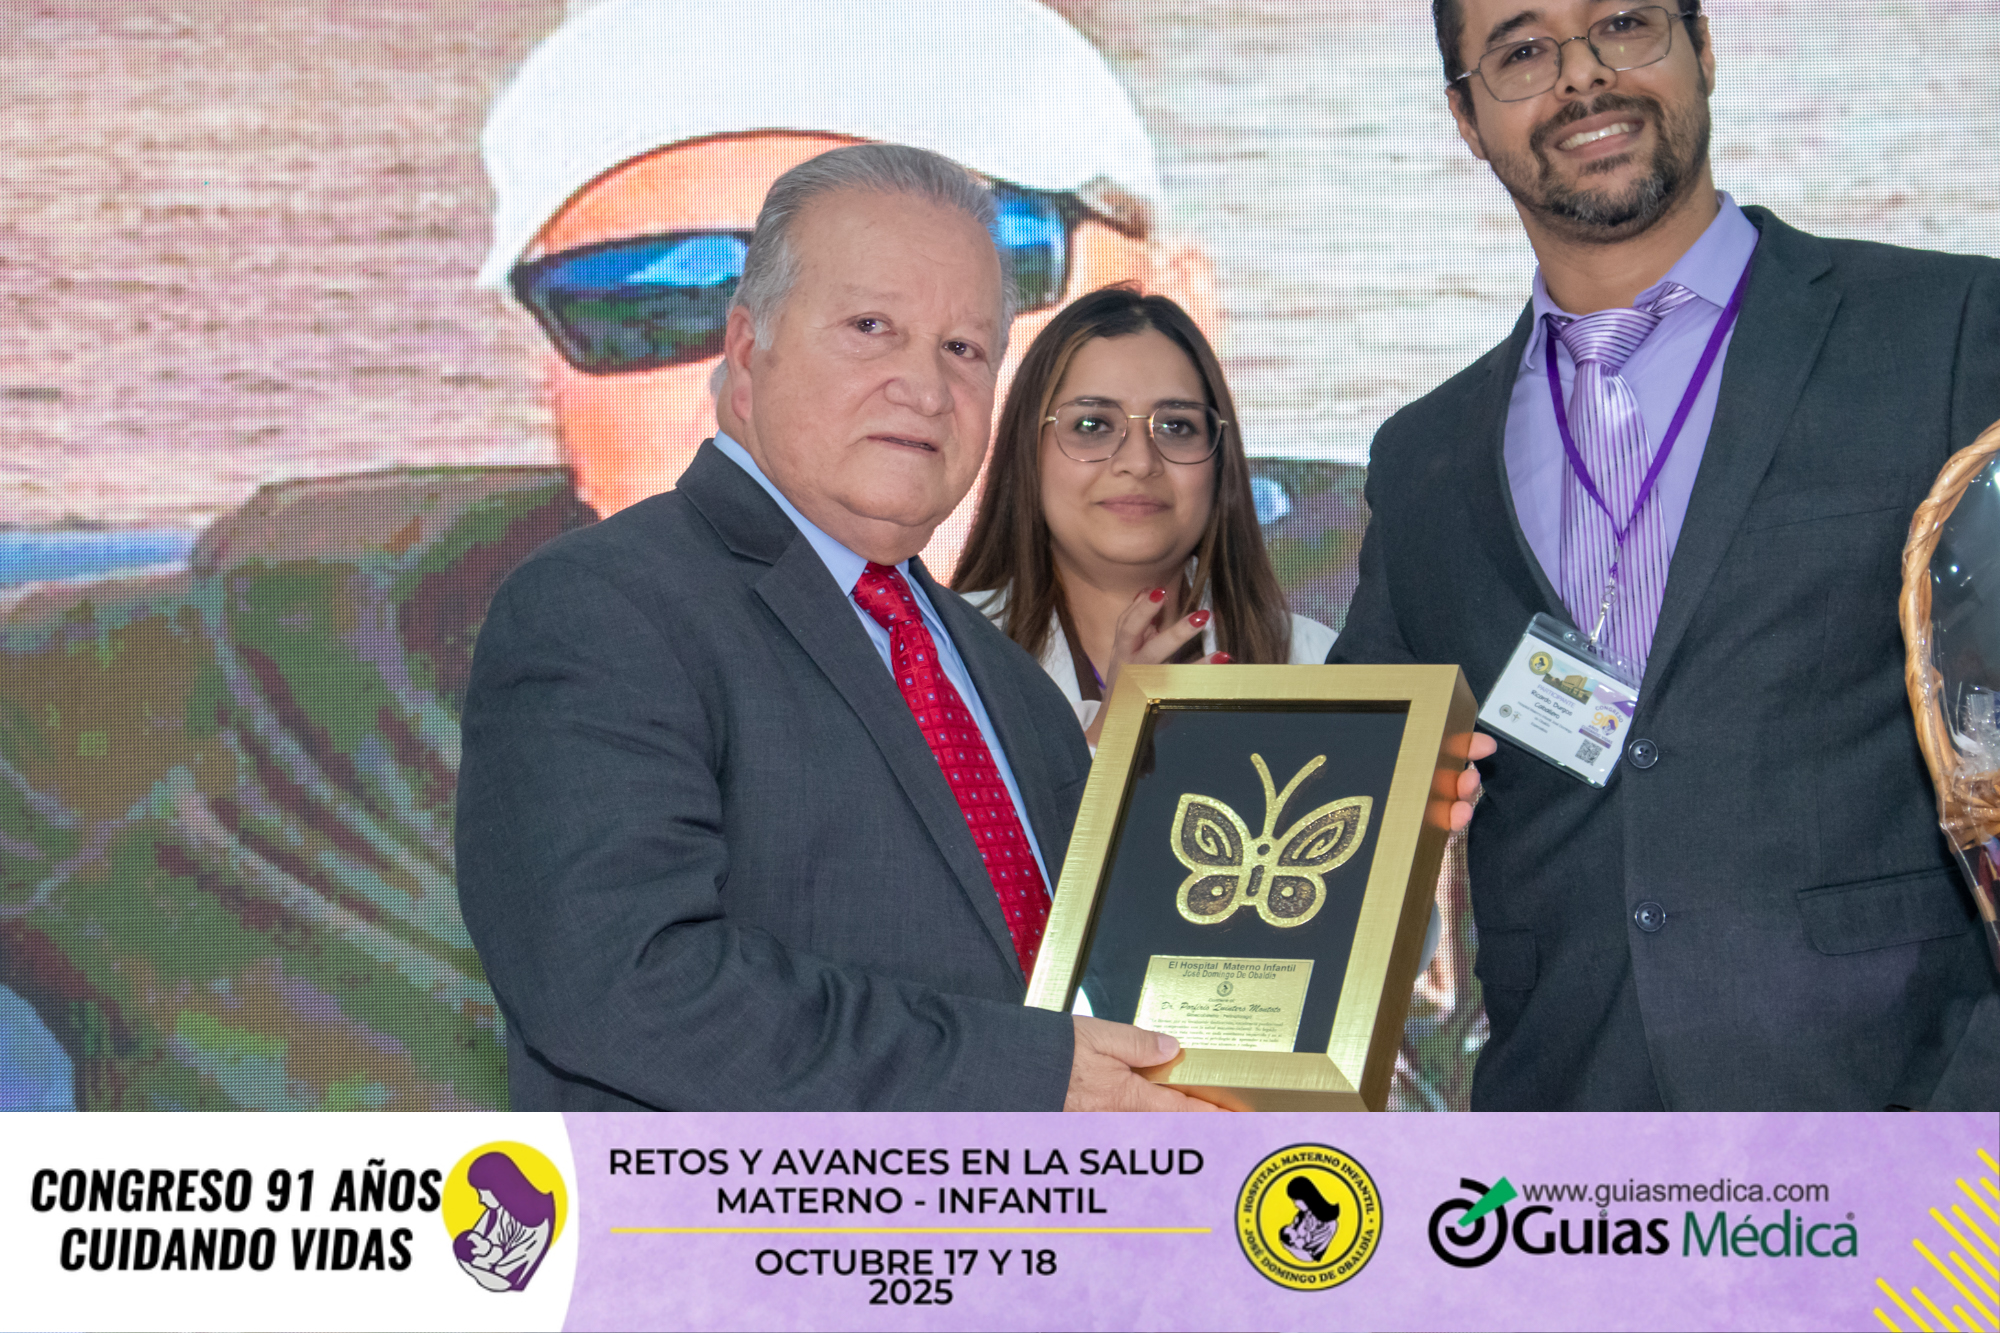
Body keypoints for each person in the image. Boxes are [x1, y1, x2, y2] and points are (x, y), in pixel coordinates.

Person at [1331, 0, 2000, 1108]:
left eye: (1624, 23)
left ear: (1703, 48)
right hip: (1566, 1139)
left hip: (1900, 1121)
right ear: (1464, 118)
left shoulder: (1954, 330)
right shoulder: (1421, 460)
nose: (1582, 76)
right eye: (1521, 52)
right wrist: (1164, 756)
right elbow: (1349, 779)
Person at [455, 143, 1219, 1112]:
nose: (925, 387)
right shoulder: (604, 608)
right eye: (870, 328)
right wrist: (1024, 1075)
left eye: (963, 349)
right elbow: (621, 983)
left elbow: (1095, 989)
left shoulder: (1002, 681)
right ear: (746, 352)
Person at [481, 0, 1215, 570]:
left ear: (1180, 317)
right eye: (652, 304)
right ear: (551, 387)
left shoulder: (1283, 672)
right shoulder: (442, 673)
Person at [956, 286, 1335, 749]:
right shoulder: (936, 660)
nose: (1139, 462)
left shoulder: (1321, 668)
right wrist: (1109, 739)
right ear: (1027, 453)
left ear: (1220, 465)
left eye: (1176, 426)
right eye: (1093, 425)